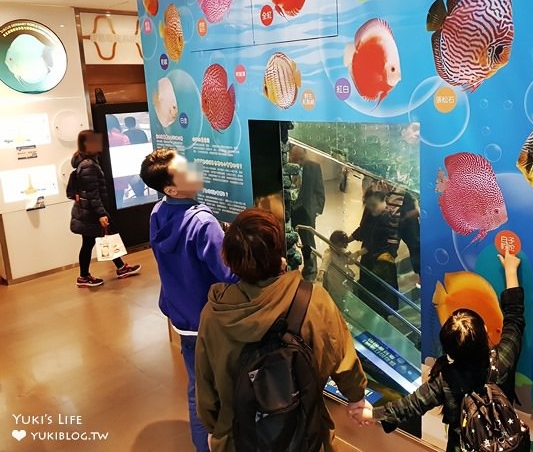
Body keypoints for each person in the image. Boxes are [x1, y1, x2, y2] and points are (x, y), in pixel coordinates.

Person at [195, 208, 368, 452]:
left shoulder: (215, 314)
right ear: (280, 255)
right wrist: (356, 397)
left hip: (238, 436)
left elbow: (206, 383)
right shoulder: (312, 300)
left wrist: (216, 429)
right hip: (304, 434)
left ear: (229, 259)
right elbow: (343, 360)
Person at [349, 249, 526, 452]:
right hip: (505, 444)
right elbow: (514, 319)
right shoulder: (501, 362)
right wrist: (511, 271)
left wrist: (373, 414)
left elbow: (411, 405)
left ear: (449, 351)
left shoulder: (446, 380)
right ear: (485, 331)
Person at [139, 148, 239, 452]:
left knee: (199, 388)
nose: (193, 170)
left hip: (183, 317)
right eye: (184, 170)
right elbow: (229, 274)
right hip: (211, 321)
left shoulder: (158, 213)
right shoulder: (202, 223)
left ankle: (203, 446)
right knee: (227, 388)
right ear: (171, 187)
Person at [69, 130, 141, 287]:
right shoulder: (89, 165)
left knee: (105, 237)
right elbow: (93, 194)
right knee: (91, 242)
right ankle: (84, 276)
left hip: (88, 211)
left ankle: (120, 267)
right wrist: (101, 213)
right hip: (91, 212)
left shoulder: (85, 161)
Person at [349, 189, 401, 319]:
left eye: (374, 205)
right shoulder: (370, 213)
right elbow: (363, 230)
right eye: (369, 205)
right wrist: (347, 239)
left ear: (383, 201)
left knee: (380, 300)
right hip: (368, 261)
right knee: (368, 296)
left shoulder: (389, 218)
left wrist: (358, 252)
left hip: (382, 265)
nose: (371, 209)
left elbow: (380, 244)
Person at [290, 145, 325, 280]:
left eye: (301, 159)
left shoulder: (314, 167)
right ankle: (291, 269)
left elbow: (319, 190)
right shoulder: (285, 167)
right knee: (288, 241)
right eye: (295, 159)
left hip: (306, 211)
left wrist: (315, 211)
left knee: (308, 242)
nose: (298, 163)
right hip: (290, 211)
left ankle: (311, 270)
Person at [316, 230, 360, 310]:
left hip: (344, 281)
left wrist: (355, 255)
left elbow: (350, 261)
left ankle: (342, 310)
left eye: (343, 246)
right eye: (339, 246)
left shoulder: (344, 253)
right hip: (333, 281)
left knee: (345, 296)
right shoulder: (329, 253)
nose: (341, 248)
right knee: (335, 299)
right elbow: (324, 263)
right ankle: (337, 312)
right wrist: (321, 273)